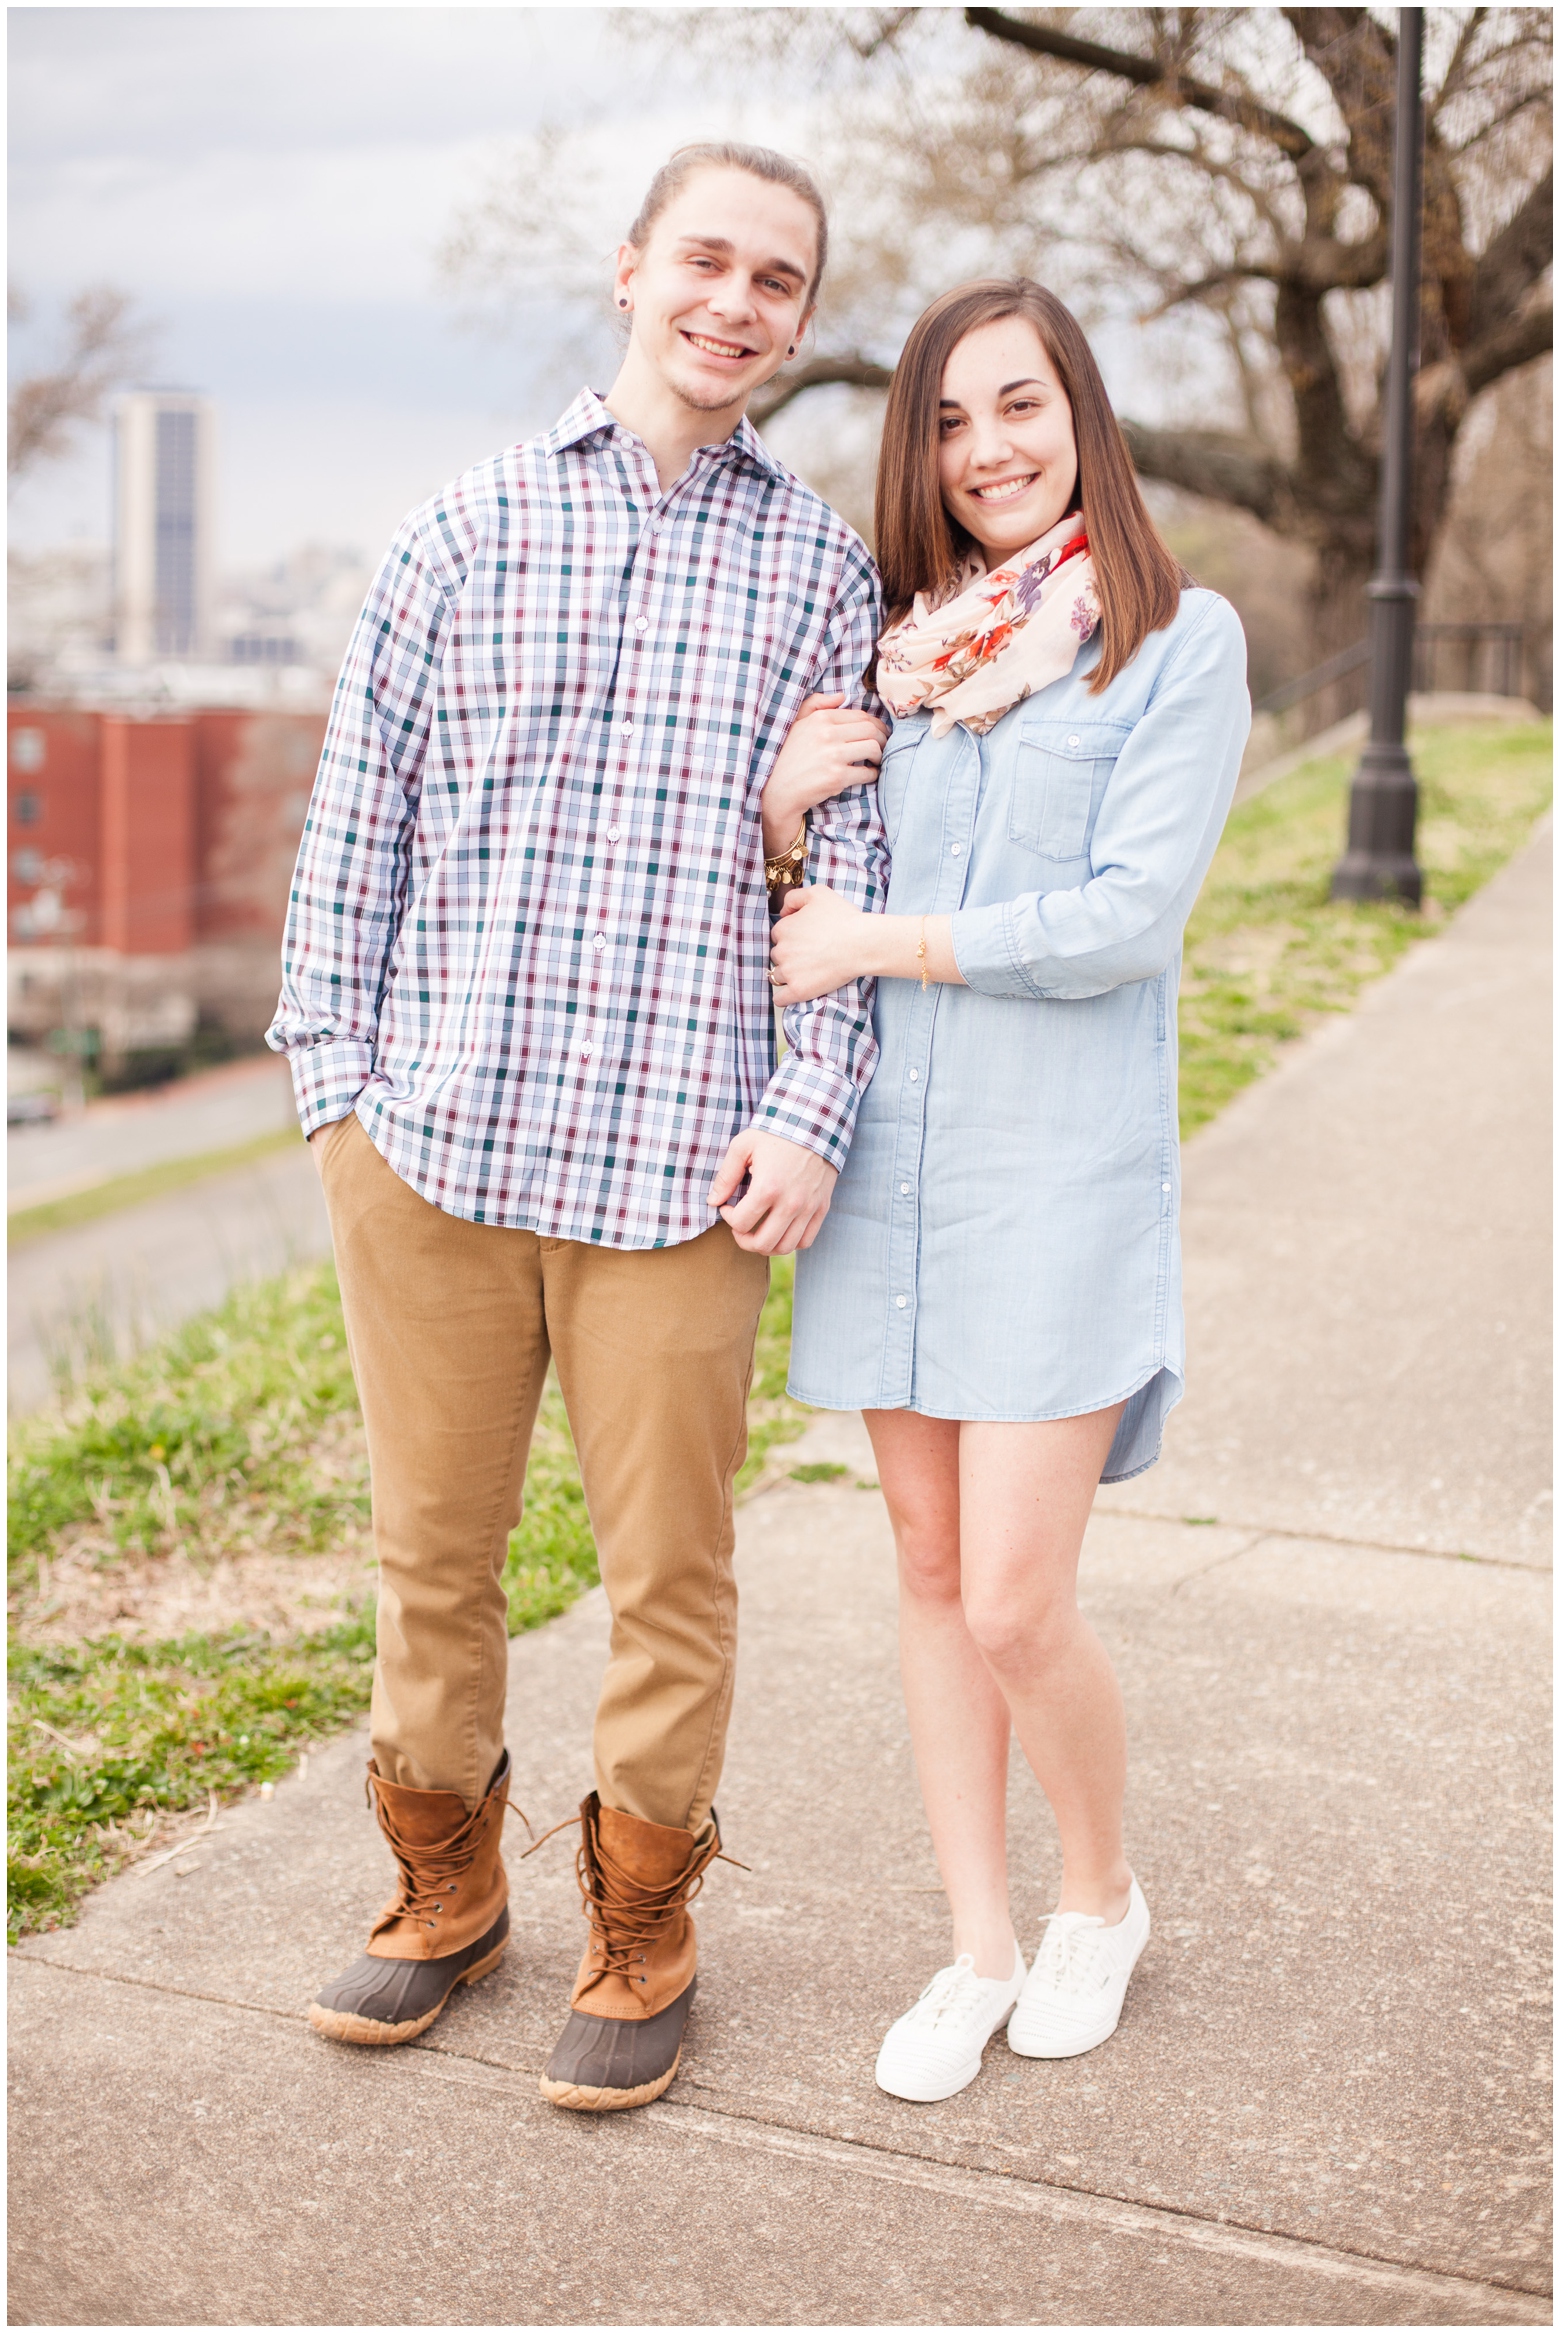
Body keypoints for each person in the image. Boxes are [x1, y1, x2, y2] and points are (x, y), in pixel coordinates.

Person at [268, 142, 888, 2113]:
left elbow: (850, 871)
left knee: (670, 1579)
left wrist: (809, 1113)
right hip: (434, 1154)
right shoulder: (458, 534)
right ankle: (441, 1899)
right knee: (431, 1561)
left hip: (678, 1181)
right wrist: (333, 1100)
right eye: (706, 259)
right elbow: (354, 832)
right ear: (632, 270)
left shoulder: (820, 573)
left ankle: (642, 1925)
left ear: (798, 323)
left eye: (776, 281)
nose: (735, 301)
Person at [773, 279, 1250, 2103]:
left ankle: (1098, 1897)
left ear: (1083, 417)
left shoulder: (1167, 640)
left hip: (1057, 1183)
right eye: (953, 421)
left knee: (1015, 1600)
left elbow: (1127, 919)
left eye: (1020, 407)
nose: (987, 450)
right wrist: (785, 812)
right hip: (892, 1173)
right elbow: (797, 914)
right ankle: (976, 1938)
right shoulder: (903, 653)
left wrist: (883, 932)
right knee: (921, 1562)